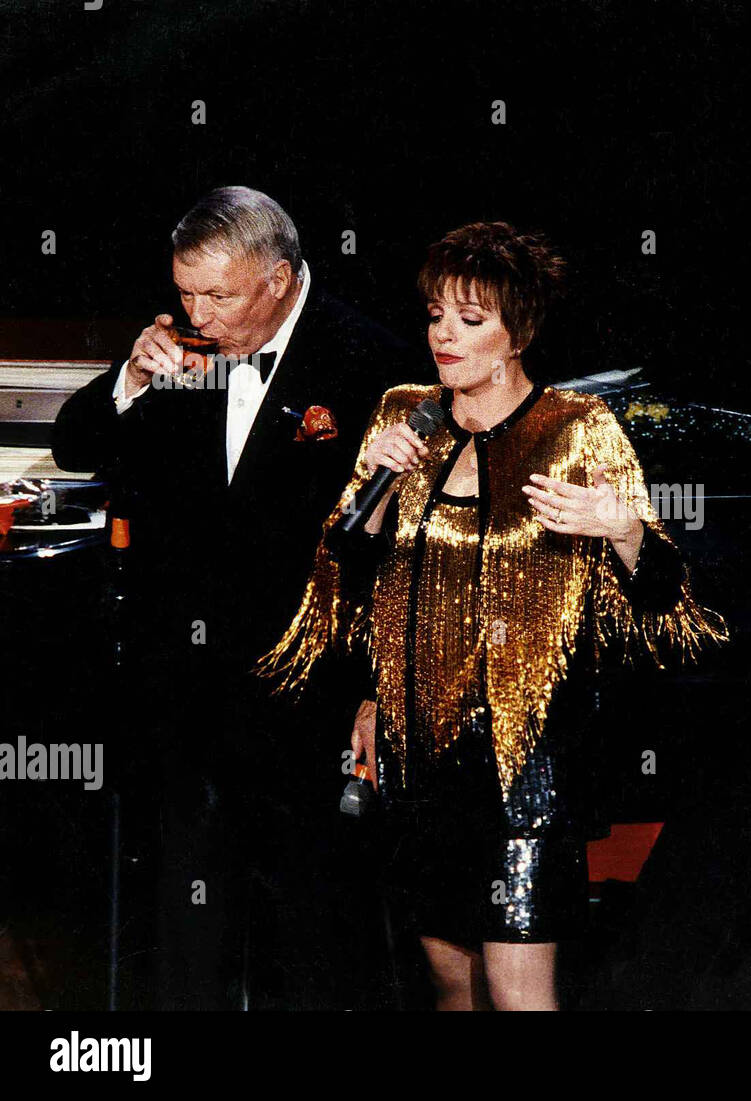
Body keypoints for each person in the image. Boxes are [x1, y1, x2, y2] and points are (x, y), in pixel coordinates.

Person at [258, 221, 728, 1010]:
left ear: (520, 333)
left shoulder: (576, 429)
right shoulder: (404, 413)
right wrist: (374, 490)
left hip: (525, 755)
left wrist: (620, 527)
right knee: (453, 984)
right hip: (419, 750)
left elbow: (666, 601)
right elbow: (350, 569)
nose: (445, 334)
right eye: (437, 314)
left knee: (516, 990)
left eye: (470, 319)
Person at [51, 185, 420, 1009]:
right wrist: (132, 379)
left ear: (283, 280)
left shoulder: (371, 365)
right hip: (186, 698)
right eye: (185, 291)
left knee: (315, 933)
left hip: (307, 699)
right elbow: (73, 443)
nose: (198, 312)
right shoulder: (181, 352)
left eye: (218, 295)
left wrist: (372, 691)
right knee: (190, 930)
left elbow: (398, 555)